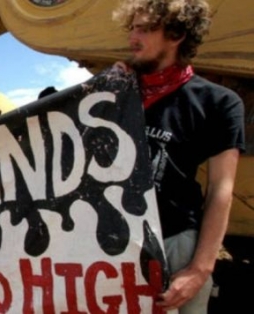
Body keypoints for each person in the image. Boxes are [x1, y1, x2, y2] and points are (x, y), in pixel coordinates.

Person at [112, 1, 245, 313]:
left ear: (176, 34)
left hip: (174, 246)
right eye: (132, 28)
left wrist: (200, 270)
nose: (133, 37)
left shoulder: (219, 103)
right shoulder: (115, 91)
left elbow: (221, 189)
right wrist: (102, 91)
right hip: (110, 242)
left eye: (144, 29)